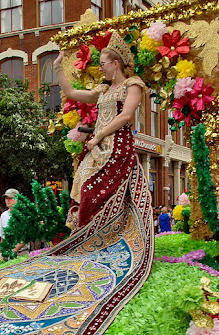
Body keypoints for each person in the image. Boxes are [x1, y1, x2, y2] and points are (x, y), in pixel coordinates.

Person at [53, 31, 147, 229]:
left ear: (116, 64)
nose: (100, 69)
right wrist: (58, 68)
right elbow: (71, 93)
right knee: (81, 182)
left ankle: (104, 232)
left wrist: (99, 136)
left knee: (94, 189)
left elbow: (125, 116)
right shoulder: (103, 90)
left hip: (118, 147)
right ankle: (84, 233)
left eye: (103, 64)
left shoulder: (133, 85)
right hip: (97, 147)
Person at [0, 189, 28, 256]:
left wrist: (15, 250)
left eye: (10, 198)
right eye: (6, 198)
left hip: (21, 253)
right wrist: (0, 253)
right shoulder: (3, 215)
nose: (7, 200)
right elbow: (3, 238)